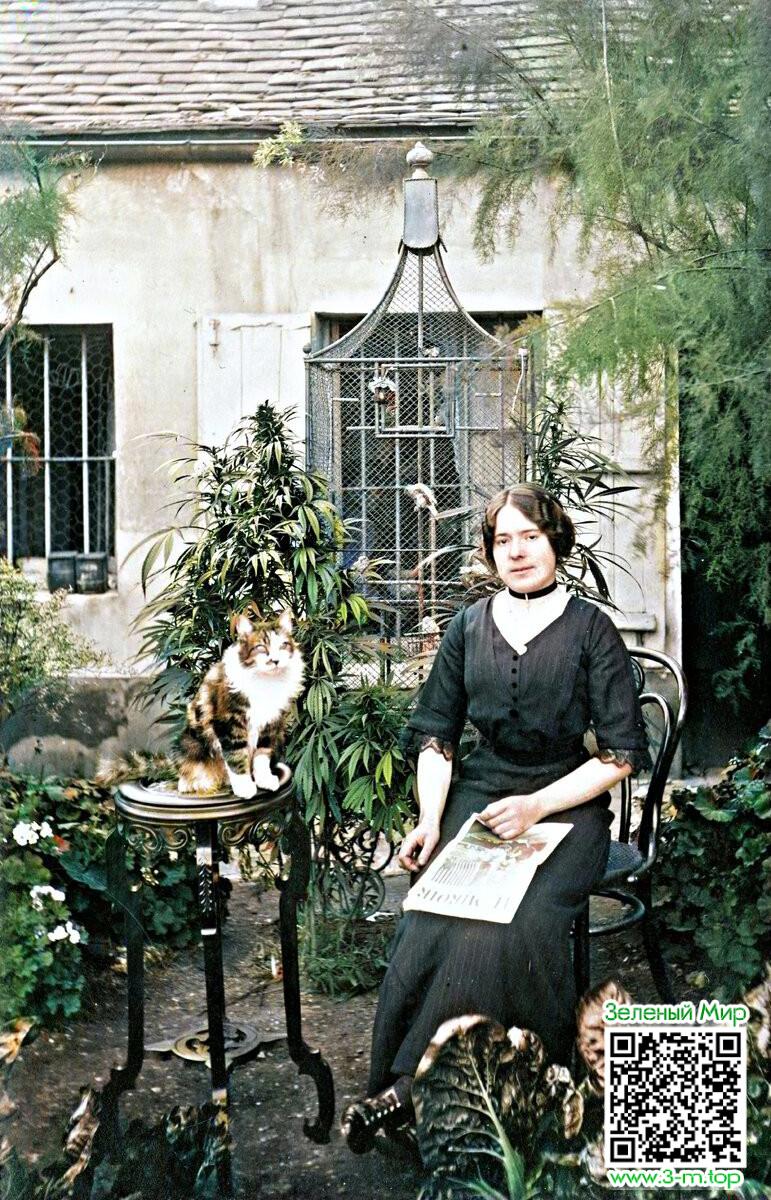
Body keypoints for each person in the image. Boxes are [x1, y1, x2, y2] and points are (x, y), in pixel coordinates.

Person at [341, 483, 650, 1154]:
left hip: (566, 806)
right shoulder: (468, 626)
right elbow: (436, 736)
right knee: (432, 915)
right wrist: (429, 820)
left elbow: (621, 756)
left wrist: (537, 805)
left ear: (555, 543)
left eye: (529, 537)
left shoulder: (590, 630)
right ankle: (413, 1084)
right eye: (502, 540)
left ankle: (451, 1091)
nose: (516, 552)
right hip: (481, 796)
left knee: (516, 924)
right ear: (489, 552)